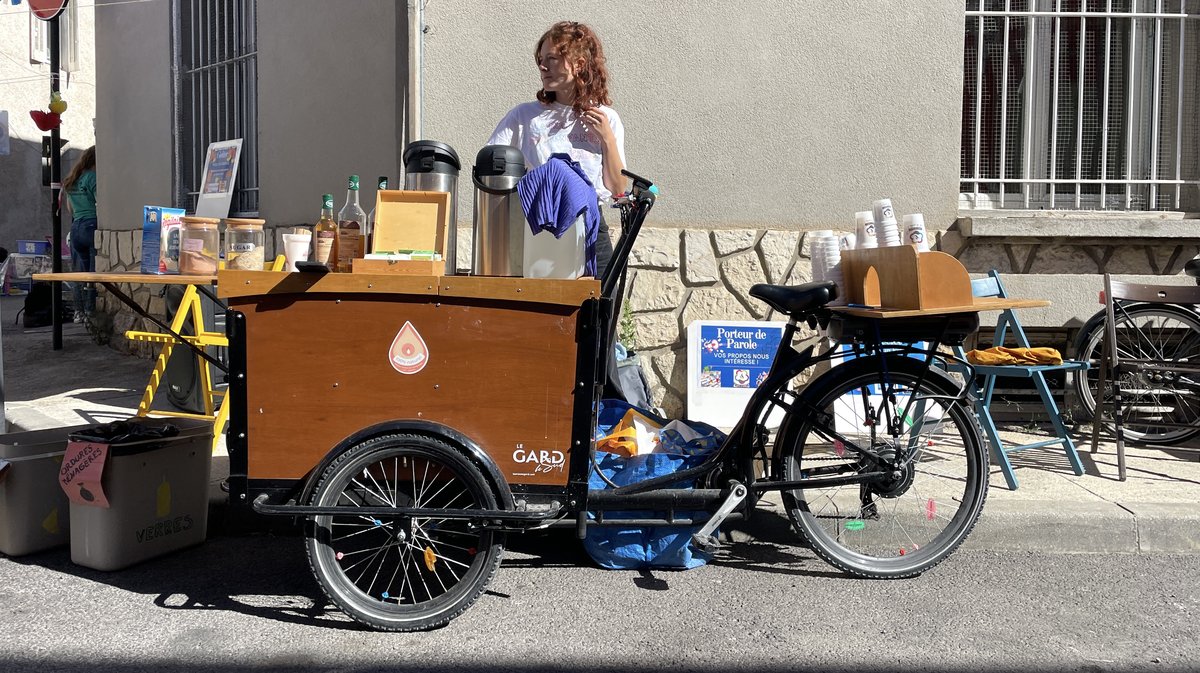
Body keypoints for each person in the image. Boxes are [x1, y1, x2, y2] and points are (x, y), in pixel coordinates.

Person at [488, 20, 627, 277]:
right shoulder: (525, 116)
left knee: (600, 313)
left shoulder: (607, 119)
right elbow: (490, 162)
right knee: (544, 314)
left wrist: (607, 139)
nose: (542, 66)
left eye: (551, 58)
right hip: (540, 228)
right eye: (540, 59)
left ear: (579, 64)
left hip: (591, 229)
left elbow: (618, 190)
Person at [63, 145, 97, 322]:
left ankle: (79, 312)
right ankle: (91, 312)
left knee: (78, 273)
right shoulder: (92, 178)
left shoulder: (73, 179)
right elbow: (101, 203)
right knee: (92, 274)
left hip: (75, 227)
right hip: (91, 225)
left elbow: (70, 208)